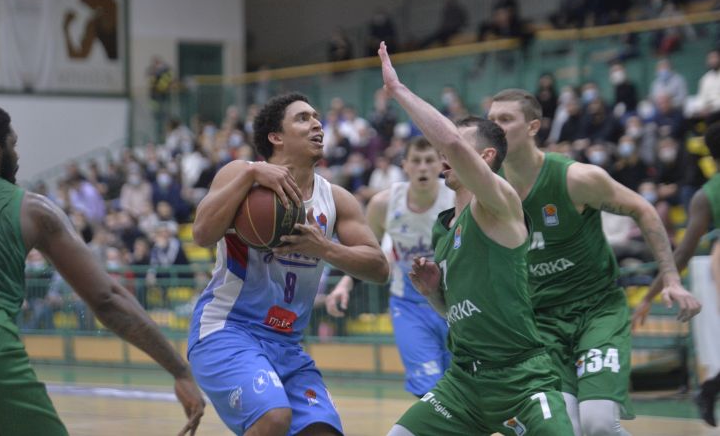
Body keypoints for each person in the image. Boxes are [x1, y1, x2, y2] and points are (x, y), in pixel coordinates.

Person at [378, 43, 574, 436]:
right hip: (463, 383)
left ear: (483, 157)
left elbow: (450, 142)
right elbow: (455, 314)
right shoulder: (444, 228)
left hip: (520, 379)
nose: (441, 153)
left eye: (453, 147)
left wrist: (398, 91)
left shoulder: (500, 203)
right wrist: (433, 293)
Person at [0, 101, 204, 435]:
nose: (18, 154)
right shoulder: (29, 207)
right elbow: (107, 298)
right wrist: (180, 370)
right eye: (14, 145)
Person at [487, 89, 701, 435]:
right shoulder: (491, 192)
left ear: (533, 127)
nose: (495, 127)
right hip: (543, 323)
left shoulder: (575, 178)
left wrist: (672, 279)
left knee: (598, 423)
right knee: (561, 428)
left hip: (596, 311)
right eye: (491, 120)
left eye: (505, 119)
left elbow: (643, 209)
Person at [187, 92, 388, 436]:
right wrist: (250, 176)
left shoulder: (335, 198)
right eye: (303, 118)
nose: (317, 124)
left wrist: (324, 247)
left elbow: (379, 268)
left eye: (317, 117)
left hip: (287, 344)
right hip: (227, 329)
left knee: (322, 432)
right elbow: (202, 234)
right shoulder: (240, 174)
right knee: (273, 417)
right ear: (276, 137)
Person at [325, 136, 455, 397]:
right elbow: (369, 252)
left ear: (441, 164)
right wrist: (344, 284)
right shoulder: (384, 204)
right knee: (429, 388)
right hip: (409, 304)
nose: (422, 167)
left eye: (429, 160)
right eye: (416, 161)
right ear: (404, 165)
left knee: (461, 386)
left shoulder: (455, 198)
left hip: (454, 302)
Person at [633, 121, 720, 427]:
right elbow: (681, 254)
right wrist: (649, 295)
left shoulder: (703, 195)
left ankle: (710, 389)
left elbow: (680, 255)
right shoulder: (708, 195)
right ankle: (710, 389)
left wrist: (648, 296)